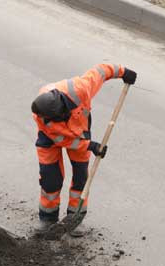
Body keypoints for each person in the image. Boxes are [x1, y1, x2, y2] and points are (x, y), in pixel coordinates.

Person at [31, 64, 137, 236]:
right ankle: (47, 219)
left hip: (79, 134)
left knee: (81, 178)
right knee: (51, 179)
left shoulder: (80, 89)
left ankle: (75, 219)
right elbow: (62, 140)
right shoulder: (41, 117)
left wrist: (123, 72)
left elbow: (101, 71)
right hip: (49, 139)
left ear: (61, 112)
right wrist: (91, 146)